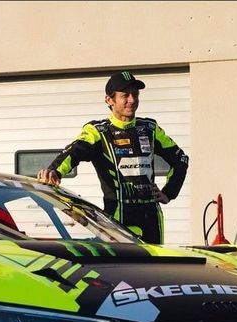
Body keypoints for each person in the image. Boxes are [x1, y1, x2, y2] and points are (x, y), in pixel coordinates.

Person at [37, 70, 189, 244]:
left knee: (157, 262)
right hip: (117, 219)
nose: (132, 100)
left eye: (135, 94)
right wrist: (54, 171)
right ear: (109, 100)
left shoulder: (150, 129)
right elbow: (74, 152)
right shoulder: (98, 131)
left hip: (152, 218)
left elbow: (181, 160)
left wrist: (169, 192)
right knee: (123, 262)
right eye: (125, 95)